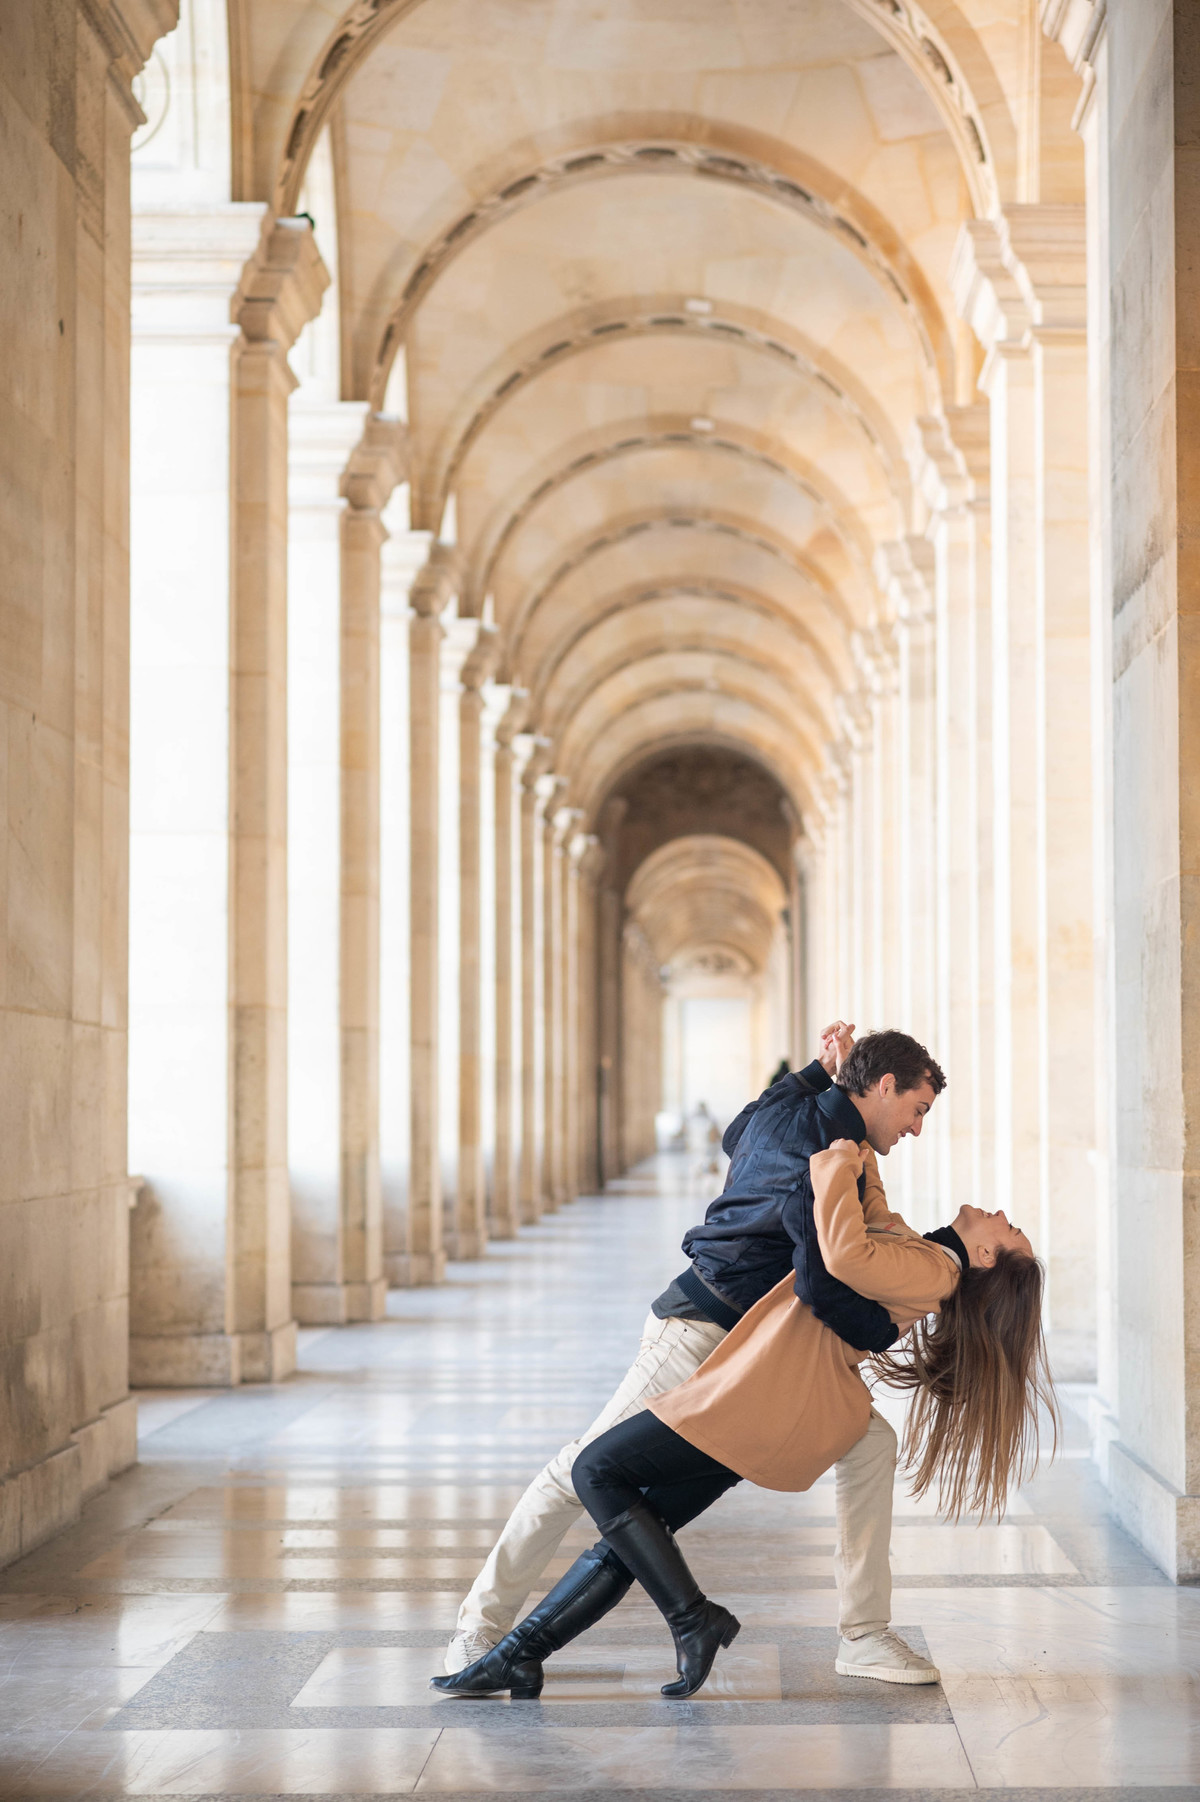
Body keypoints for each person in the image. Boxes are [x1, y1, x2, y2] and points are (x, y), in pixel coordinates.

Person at [432, 1140, 1052, 1701]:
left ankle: (502, 1629)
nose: (1004, 1213)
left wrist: (834, 1158)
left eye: (1013, 1229)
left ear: (987, 1255)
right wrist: (860, 1147)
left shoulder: (932, 1269)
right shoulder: (925, 1252)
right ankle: (523, 1653)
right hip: (770, 1386)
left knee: (586, 1472)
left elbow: (840, 1253)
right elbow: (875, 1218)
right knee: (638, 1526)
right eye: (915, 1110)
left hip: (751, 1383)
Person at [442, 1026, 947, 1685]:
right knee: (577, 1472)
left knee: (870, 1444)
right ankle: (478, 1625)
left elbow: (735, 1134)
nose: (916, 1128)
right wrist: (886, 1329)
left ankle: (865, 1635)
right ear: (884, 1086)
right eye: (918, 1109)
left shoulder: (795, 1110)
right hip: (701, 1331)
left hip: (755, 1344)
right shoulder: (824, 1154)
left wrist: (811, 1072)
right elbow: (823, 1278)